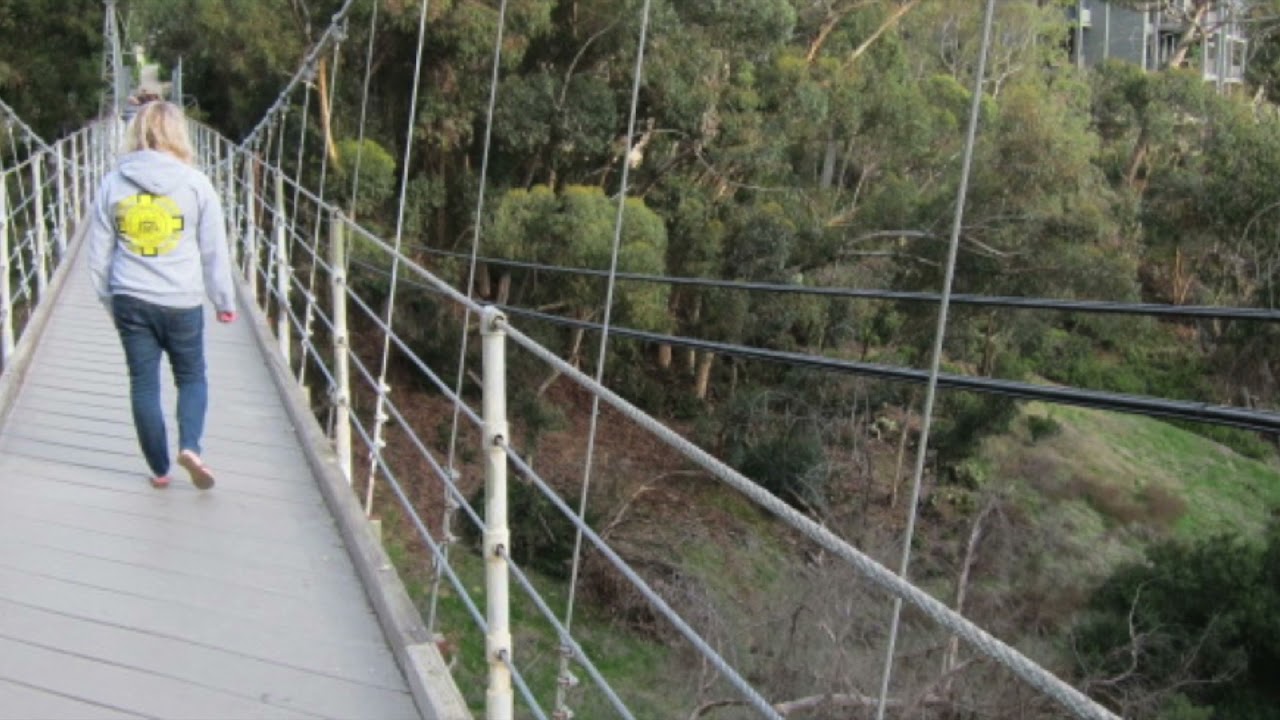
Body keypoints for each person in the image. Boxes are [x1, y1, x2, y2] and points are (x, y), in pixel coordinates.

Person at [87, 100, 237, 490]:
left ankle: (159, 469)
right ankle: (190, 446)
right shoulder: (196, 184)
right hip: (182, 300)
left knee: (143, 382)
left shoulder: (113, 183)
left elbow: (98, 255)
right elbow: (213, 249)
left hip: (130, 297)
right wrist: (224, 301)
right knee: (191, 376)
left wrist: (109, 300)